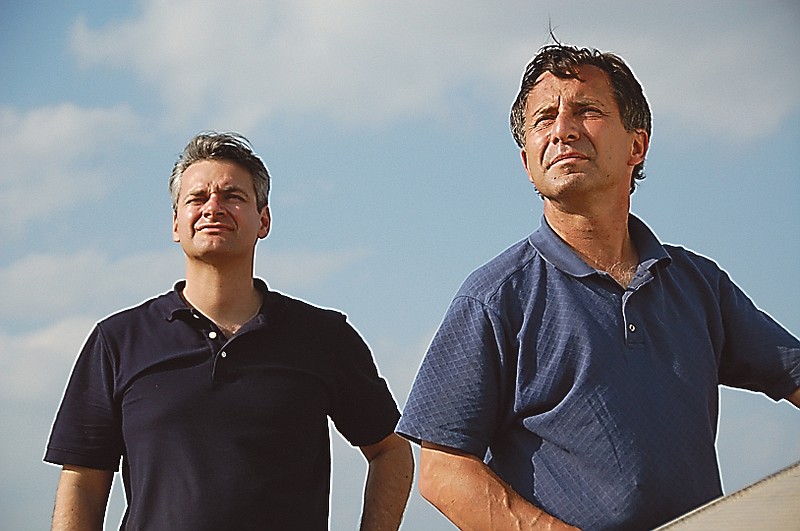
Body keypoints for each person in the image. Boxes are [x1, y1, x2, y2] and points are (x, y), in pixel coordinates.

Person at [397, 43, 800, 530]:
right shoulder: (493, 298)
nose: (563, 131)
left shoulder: (698, 284)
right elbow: (443, 472)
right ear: (527, 162)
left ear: (637, 145)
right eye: (544, 120)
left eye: (586, 111)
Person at [45, 132, 413, 530]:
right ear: (176, 224)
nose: (213, 208)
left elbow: (390, 451)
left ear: (263, 221)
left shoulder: (324, 337)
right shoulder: (118, 341)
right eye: (197, 198)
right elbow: (83, 480)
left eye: (233, 196)